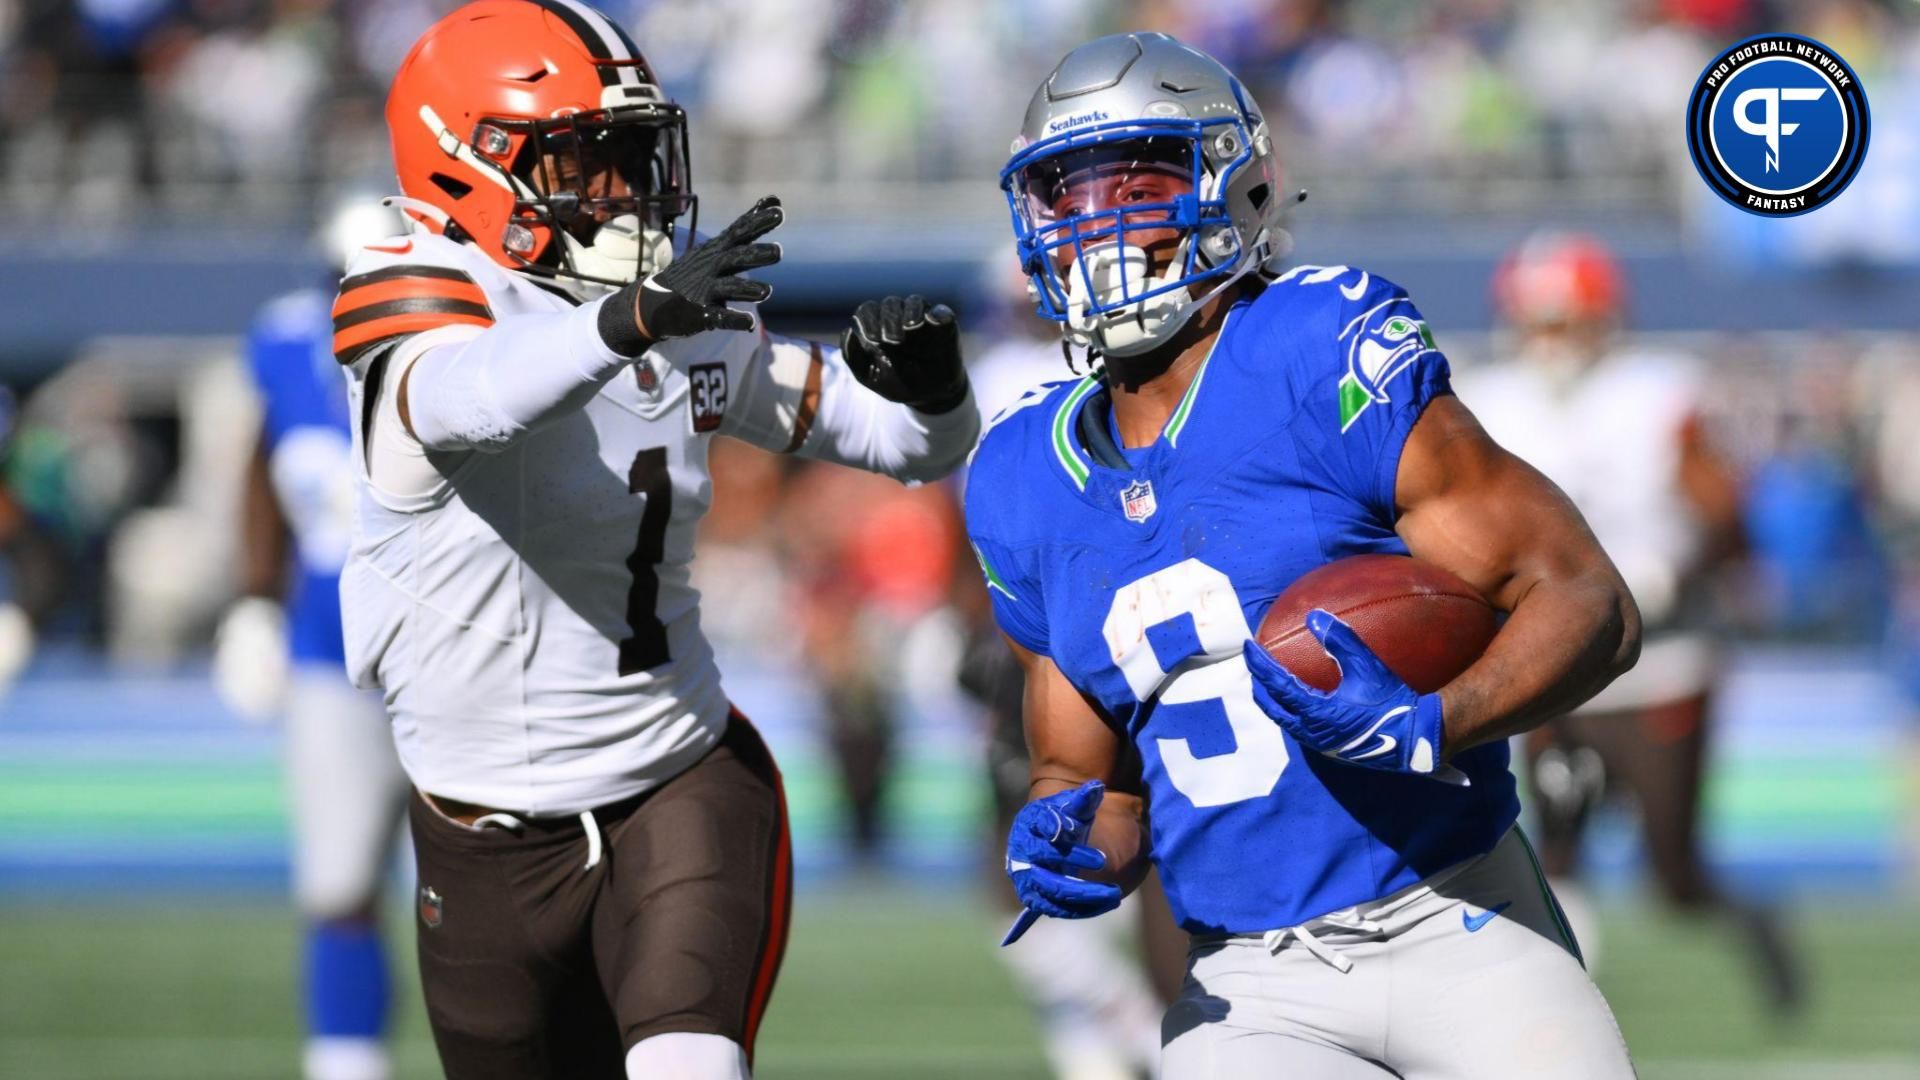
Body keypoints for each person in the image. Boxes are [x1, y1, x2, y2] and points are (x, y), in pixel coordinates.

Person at [967, 33, 1640, 1077]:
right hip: (1249, 986)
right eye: (1066, 195)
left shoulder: (1312, 349)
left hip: (1460, 918)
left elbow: (1586, 596)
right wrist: (1068, 842)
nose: (1097, 225)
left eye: (1136, 183)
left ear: (1235, 188)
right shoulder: (1020, 471)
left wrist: (1433, 724)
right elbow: (1086, 775)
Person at [336, 3, 978, 1077]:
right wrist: (627, 321)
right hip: (479, 833)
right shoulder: (421, 288)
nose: (629, 192)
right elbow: (464, 399)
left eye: (636, 158)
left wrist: (939, 392)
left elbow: (905, 444)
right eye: (590, 162)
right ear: (469, 168)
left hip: (675, 785)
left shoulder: (669, 318)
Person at [1456, 231, 1803, 1012]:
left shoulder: (1657, 392)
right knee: (1560, 850)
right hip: (1557, 665)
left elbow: (1727, 512)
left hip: (1661, 662)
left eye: (1566, 320)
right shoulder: (1491, 399)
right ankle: (1556, 1015)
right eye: (1537, 321)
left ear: (1604, 318)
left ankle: (1755, 922)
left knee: (1672, 873)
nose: (1551, 341)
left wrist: (1674, 574)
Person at [212, 195, 412, 1080]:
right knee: (338, 886)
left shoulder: (461, 340)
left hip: (459, 655)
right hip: (332, 655)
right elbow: (263, 469)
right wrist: (256, 598)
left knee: (494, 893)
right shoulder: (289, 344)